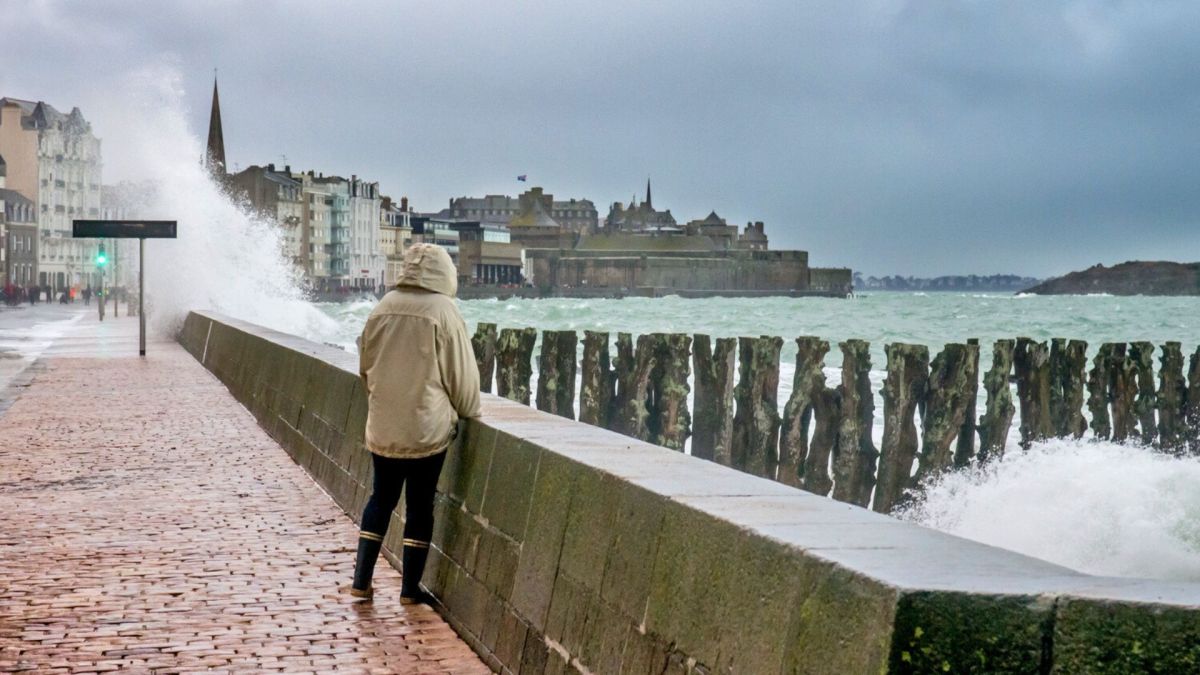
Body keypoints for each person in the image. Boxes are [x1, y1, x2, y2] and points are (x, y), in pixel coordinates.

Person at [348, 243, 481, 603]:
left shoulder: (382, 307)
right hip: (426, 429)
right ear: (445, 272)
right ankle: (409, 590)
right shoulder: (444, 311)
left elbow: (365, 368)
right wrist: (470, 411)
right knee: (420, 504)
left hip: (384, 426)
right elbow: (461, 376)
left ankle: (361, 582)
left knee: (381, 497)